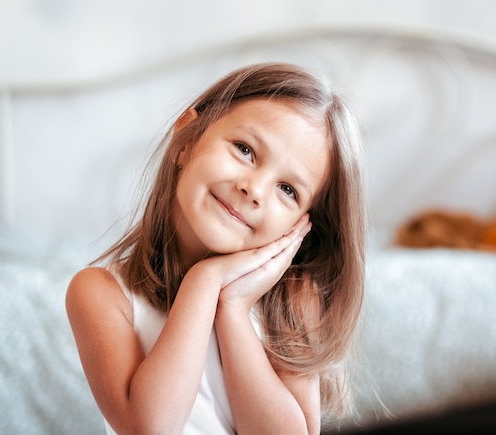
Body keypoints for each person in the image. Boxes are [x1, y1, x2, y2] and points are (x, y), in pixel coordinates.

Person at [66, 62, 366, 435]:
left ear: (301, 225)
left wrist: (235, 308)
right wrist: (204, 283)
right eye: (245, 150)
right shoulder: (102, 293)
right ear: (187, 139)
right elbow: (150, 427)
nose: (254, 190)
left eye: (288, 190)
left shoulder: (292, 299)